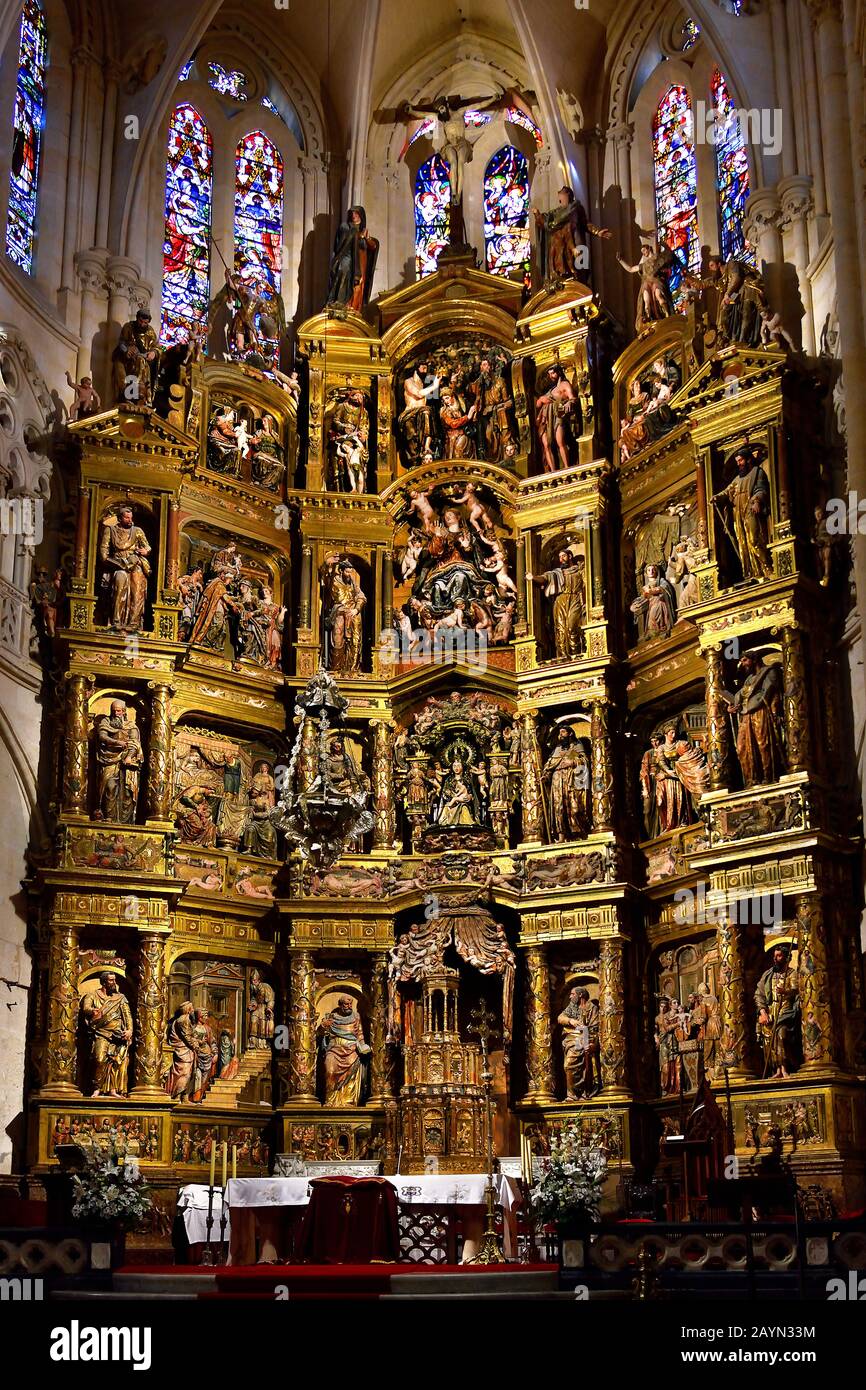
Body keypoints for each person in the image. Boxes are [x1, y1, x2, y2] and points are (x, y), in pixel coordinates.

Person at [712, 446, 773, 580]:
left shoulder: (757, 472)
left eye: (741, 460)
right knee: (742, 543)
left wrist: (757, 501)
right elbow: (727, 491)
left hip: (750, 509)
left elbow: (762, 488)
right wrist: (717, 497)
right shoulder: (737, 480)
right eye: (737, 461)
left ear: (748, 460)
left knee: (754, 540)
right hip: (738, 512)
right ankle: (750, 573)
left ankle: (767, 568)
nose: (739, 464)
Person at [726, 651, 786, 786]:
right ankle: (752, 779)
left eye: (745, 660)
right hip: (746, 716)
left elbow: (766, 695)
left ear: (754, 660)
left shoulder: (769, 673)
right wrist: (733, 707)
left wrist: (744, 706)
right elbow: (739, 695)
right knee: (742, 748)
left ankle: (769, 778)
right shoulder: (749, 679)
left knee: (763, 744)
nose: (743, 664)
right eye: (741, 661)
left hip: (761, 712)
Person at [532, 185, 611, 283]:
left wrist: (597, 232)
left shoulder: (576, 208)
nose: (561, 197)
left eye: (562, 195)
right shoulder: (556, 213)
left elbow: (585, 223)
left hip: (575, 242)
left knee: (579, 272)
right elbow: (545, 223)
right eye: (560, 195)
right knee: (561, 273)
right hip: (558, 247)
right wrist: (537, 214)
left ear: (568, 195)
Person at [80, 972, 134, 1097]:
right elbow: (86, 1008)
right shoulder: (92, 995)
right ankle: (97, 1088)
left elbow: (128, 1016)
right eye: (111, 980)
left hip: (118, 1035)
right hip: (101, 1033)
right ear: (104, 982)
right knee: (99, 1059)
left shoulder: (120, 998)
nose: (114, 982)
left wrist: (129, 1030)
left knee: (116, 1062)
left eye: (114, 980)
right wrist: (92, 1011)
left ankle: (113, 1090)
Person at [99, 505, 151, 631]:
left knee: (137, 591)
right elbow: (104, 554)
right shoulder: (110, 530)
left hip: (136, 563)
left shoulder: (137, 531)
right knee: (119, 585)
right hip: (119, 564)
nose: (129, 520)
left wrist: (145, 551)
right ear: (120, 518)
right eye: (126, 518)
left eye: (130, 518)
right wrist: (119, 563)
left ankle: (134, 622)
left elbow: (147, 547)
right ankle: (116, 620)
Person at [528, 549, 585, 659]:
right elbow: (544, 578)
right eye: (560, 557)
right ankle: (563, 655)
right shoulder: (557, 573)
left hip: (575, 599)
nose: (561, 559)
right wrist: (533, 577)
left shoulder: (580, 571)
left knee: (572, 627)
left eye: (563, 556)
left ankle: (576, 653)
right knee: (560, 628)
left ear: (570, 556)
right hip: (560, 600)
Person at [755, 944, 800, 1078]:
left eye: (779, 956)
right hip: (771, 1011)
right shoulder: (768, 975)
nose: (775, 958)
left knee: (781, 1034)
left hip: (786, 1010)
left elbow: (796, 990)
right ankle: (777, 1070)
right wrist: (763, 1012)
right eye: (774, 956)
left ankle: (785, 1068)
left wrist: (785, 991)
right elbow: (759, 994)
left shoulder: (792, 973)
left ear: (787, 958)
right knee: (769, 1040)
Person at [94, 700, 142, 823]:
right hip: (109, 759)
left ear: (124, 711)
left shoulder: (131, 726)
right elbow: (102, 736)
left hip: (128, 762)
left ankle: (126, 821)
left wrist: (129, 756)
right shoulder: (106, 721)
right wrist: (116, 742)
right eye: (114, 710)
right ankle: (109, 816)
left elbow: (135, 743)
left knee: (127, 792)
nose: (116, 713)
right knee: (109, 786)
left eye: (119, 710)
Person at [320, 996, 371, 1106]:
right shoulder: (331, 1017)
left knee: (350, 1074)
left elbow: (360, 1034)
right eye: (346, 1004)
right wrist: (324, 1026)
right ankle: (330, 1099)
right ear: (340, 1005)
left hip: (351, 1050)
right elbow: (322, 1033)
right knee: (330, 1071)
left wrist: (363, 1046)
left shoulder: (356, 1017)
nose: (349, 1007)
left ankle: (348, 1100)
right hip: (334, 1049)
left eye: (350, 1004)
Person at [542, 728, 591, 841]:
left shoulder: (577, 746)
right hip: (557, 780)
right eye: (560, 732)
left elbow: (585, 761)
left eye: (563, 732)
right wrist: (546, 775)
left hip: (572, 780)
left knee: (575, 806)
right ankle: (561, 835)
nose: (561, 734)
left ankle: (578, 832)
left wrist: (573, 762)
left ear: (570, 733)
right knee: (558, 808)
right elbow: (549, 765)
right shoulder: (557, 749)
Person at [326, 206, 379, 311]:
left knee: (359, 286)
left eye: (356, 213)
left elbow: (373, 246)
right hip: (348, 259)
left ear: (361, 216)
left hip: (361, 263)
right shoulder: (346, 227)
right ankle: (344, 305)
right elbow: (342, 242)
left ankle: (354, 310)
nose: (354, 216)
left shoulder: (364, 231)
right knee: (344, 276)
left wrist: (366, 238)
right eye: (352, 213)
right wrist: (358, 235)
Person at [535, 365, 579, 472]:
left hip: (558, 412)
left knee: (560, 441)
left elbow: (573, 398)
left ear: (559, 372)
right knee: (546, 445)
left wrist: (569, 402)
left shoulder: (564, 384)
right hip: (545, 416)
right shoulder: (550, 389)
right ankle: (553, 471)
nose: (551, 376)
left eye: (553, 373)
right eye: (549, 374)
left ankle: (567, 467)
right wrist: (541, 400)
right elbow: (537, 405)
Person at [112, 308, 160, 404]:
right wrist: (127, 350)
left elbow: (156, 347)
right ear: (137, 318)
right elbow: (122, 342)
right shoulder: (129, 327)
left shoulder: (151, 332)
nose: (142, 325)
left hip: (142, 359)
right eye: (141, 321)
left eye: (145, 323)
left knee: (141, 363)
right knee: (123, 374)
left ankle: (140, 396)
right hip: (126, 359)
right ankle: (128, 395)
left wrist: (154, 353)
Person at [164, 1002, 197, 1100]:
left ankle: (184, 1096)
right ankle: (178, 1095)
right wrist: (195, 1045)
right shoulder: (183, 1020)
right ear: (188, 1010)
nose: (193, 1010)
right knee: (184, 1073)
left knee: (188, 1073)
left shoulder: (182, 1019)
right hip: (182, 1050)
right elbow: (187, 1036)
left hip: (185, 1049)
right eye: (192, 1008)